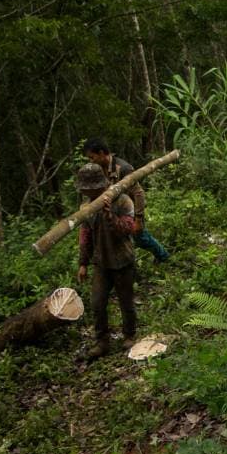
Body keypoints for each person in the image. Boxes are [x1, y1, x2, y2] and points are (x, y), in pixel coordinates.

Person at [75, 163, 138, 359]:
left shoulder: (122, 201)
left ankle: (129, 335)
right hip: (101, 262)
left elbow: (128, 228)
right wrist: (83, 263)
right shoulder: (86, 207)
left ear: (99, 186)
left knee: (126, 300)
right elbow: (85, 235)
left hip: (123, 260)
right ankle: (102, 342)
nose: (85, 191)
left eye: (88, 188)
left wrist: (110, 217)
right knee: (97, 303)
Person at [83, 138, 170, 263]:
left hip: (130, 211)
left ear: (101, 153)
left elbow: (139, 193)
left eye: (92, 157)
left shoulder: (123, 168)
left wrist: (138, 219)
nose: (91, 161)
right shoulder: (99, 170)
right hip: (114, 212)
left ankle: (163, 256)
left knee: (141, 238)